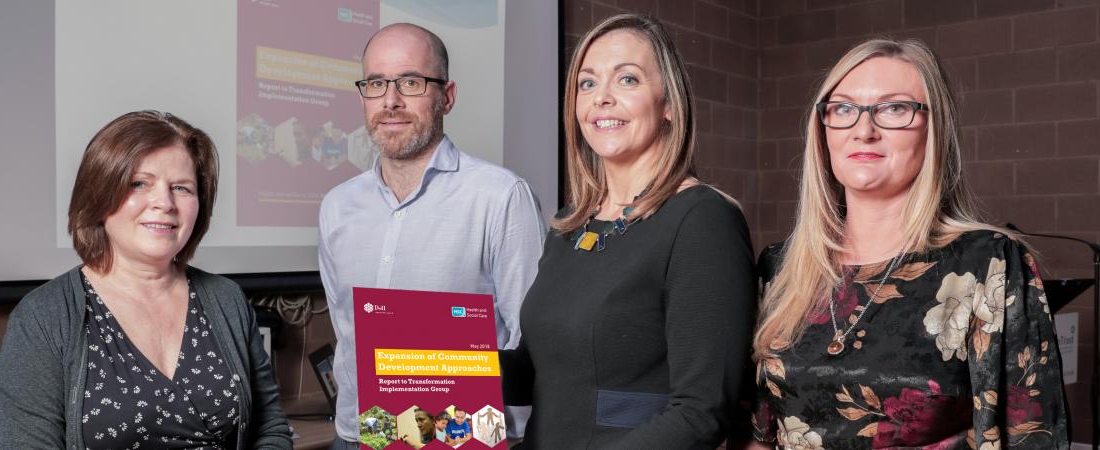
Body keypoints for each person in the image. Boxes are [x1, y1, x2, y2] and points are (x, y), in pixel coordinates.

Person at [745, 38, 1070, 449]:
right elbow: (755, 434)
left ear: (935, 127)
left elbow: (1035, 436)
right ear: (822, 128)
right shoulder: (780, 266)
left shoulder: (989, 262)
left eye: (894, 109)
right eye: (843, 108)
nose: (864, 131)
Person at [500, 14, 756, 449]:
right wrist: (437, 366)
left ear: (669, 103)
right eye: (587, 83)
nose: (602, 98)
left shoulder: (702, 220)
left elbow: (702, 412)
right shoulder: (571, 225)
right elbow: (542, 371)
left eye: (627, 80)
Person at [0, 111, 291, 448]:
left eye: (181, 188)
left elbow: (270, 428)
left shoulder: (226, 299)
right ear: (99, 194)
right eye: (139, 183)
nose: (164, 202)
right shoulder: (43, 319)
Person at [318, 22, 547, 449]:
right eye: (375, 83)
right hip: (357, 438)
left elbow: (531, 341)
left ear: (448, 96)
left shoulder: (499, 197)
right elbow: (345, 330)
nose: (390, 100)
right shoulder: (337, 206)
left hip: (462, 440)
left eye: (410, 81)